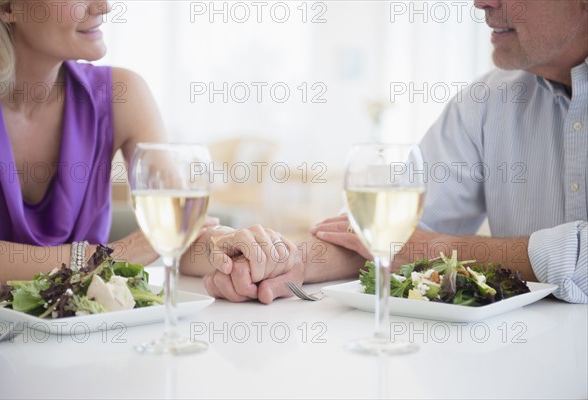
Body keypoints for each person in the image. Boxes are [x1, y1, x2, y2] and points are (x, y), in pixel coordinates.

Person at [204, 0, 587, 304]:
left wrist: (431, 247)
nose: (481, 2)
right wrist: (288, 261)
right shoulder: (487, 102)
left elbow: (410, 243)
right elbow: (387, 237)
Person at [0, 0, 296, 301]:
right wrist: (111, 255)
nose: (103, 6)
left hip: (84, 335)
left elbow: (173, 233)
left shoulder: (120, 93)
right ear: (5, 7)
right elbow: (139, 247)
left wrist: (227, 248)